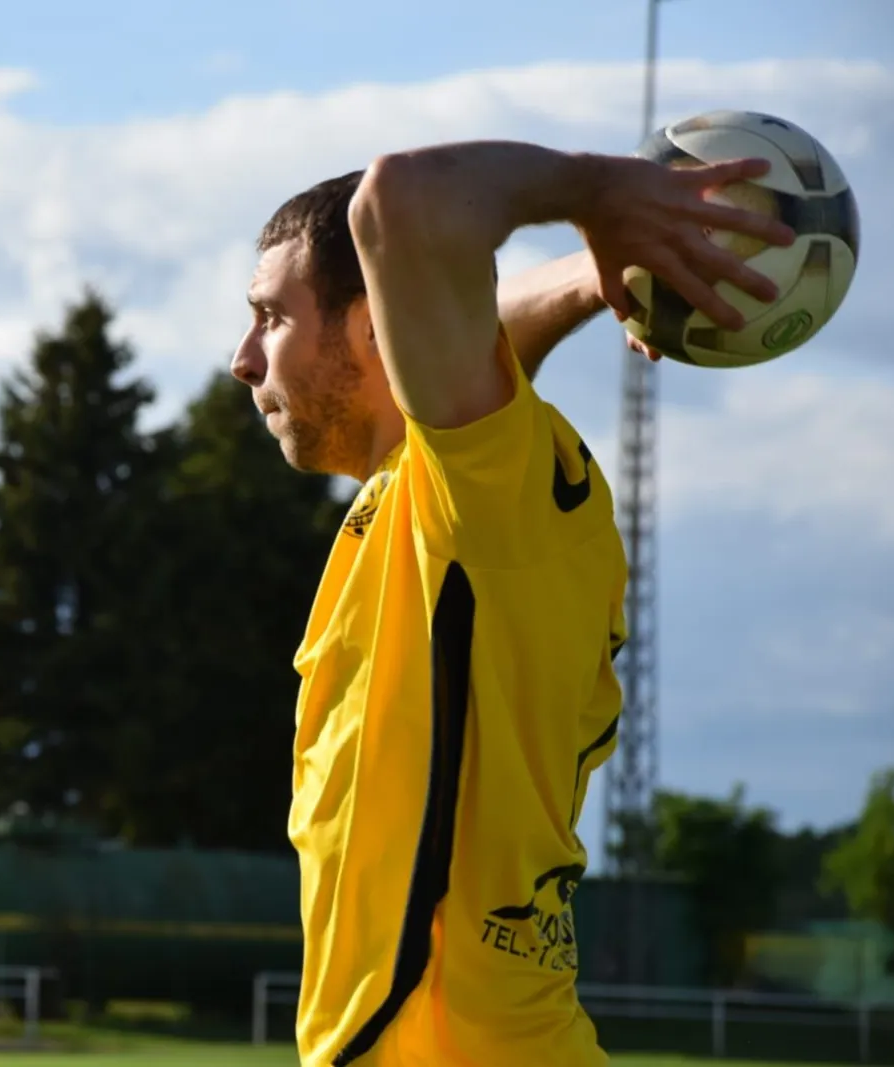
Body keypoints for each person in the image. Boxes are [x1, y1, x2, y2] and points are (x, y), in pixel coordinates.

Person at [231, 142, 792, 1067]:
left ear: (373, 326)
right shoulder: (441, 487)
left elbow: (404, 199)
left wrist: (602, 193)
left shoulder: (482, 491)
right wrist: (593, 275)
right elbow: (473, 324)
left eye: (270, 316)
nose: (243, 359)